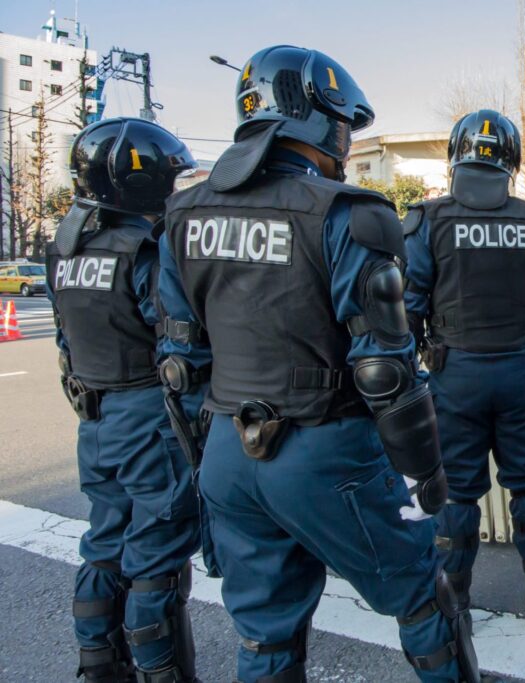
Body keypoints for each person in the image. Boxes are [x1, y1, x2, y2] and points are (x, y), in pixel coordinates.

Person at [158, 45, 481, 682]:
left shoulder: (182, 214)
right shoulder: (346, 212)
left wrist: (207, 465)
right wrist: (427, 480)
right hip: (326, 455)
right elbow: (384, 371)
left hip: (228, 453)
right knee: (423, 596)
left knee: (264, 634)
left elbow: (179, 365)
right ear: (318, 120)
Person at [403, 109, 525, 629]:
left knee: (456, 489)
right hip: (523, 370)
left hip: (454, 373)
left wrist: (424, 357)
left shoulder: (427, 221)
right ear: (512, 160)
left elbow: (407, 305)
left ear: (456, 155)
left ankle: (453, 595)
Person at [45, 117, 201, 682]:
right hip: (147, 415)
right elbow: (176, 344)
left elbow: (65, 338)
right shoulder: (142, 248)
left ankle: (97, 664)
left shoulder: (65, 248)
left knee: (105, 543)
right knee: (156, 555)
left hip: (96, 413)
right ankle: (164, 673)